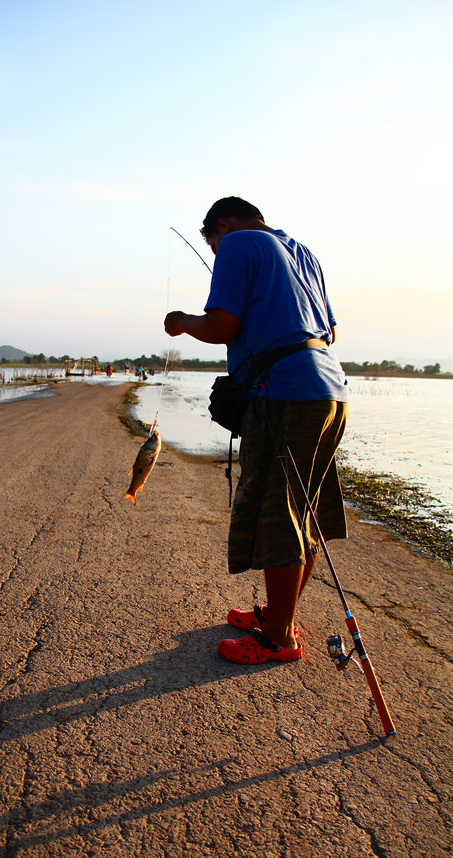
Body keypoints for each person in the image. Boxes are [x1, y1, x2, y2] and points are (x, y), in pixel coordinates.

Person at [164, 197, 348, 665]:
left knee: (279, 510)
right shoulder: (303, 252)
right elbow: (330, 329)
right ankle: (276, 616)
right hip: (330, 389)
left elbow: (223, 325)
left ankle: (279, 638)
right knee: (302, 509)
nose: (215, 250)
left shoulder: (238, 243)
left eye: (212, 242)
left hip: (285, 392)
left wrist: (182, 323)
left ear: (221, 225)